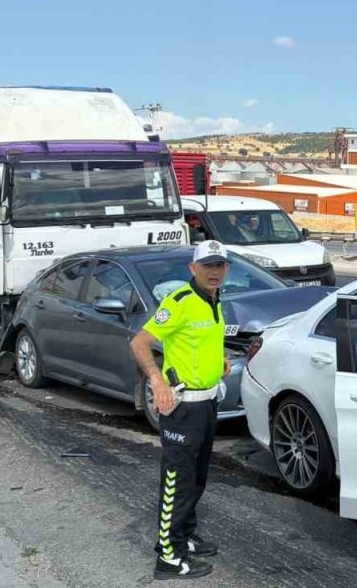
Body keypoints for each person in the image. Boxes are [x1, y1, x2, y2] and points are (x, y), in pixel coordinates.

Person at [130, 240, 233, 580]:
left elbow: (198, 342)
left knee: (197, 478)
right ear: (193, 269)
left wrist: (218, 361)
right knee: (177, 480)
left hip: (207, 404)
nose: (214, 271)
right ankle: (168, 557)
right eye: (208, 266)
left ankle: (184, 536)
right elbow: (140, 342)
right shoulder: (180, 302)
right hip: (182, 407)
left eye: (220, 265)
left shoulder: (215, 301)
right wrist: (157, 383)